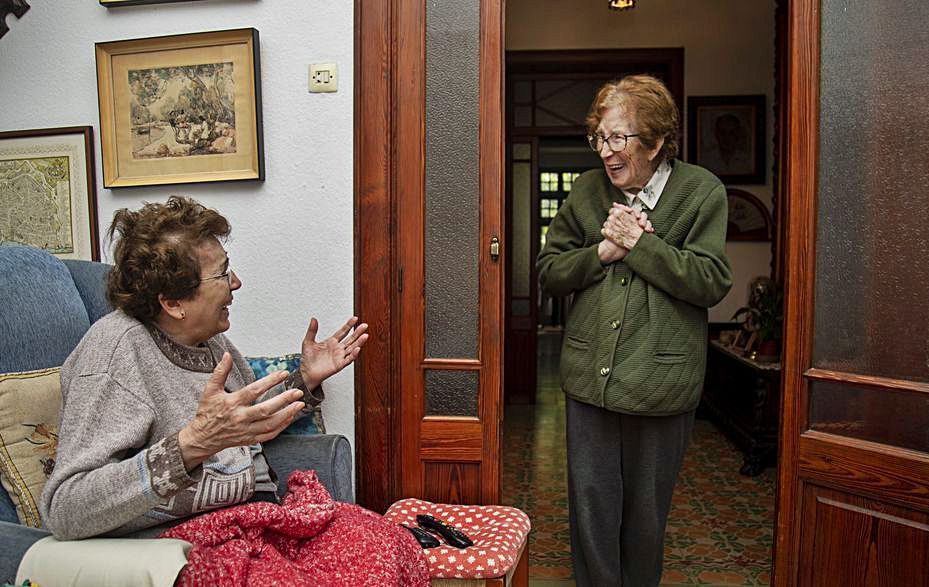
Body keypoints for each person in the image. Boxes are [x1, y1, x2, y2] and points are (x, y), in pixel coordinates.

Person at [39, 196, 369, 540]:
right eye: (223, 273)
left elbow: (242, 419)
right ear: (173, 303)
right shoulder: (114, 356)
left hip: (249, 521)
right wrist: (193, 444)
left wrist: (305, 378)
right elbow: (66, 509)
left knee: (384, 540)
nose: (236, 283)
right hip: (186, 545)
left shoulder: (208, 340)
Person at [536, 75, 732, 586]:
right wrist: (600, 252)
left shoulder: (701, 191)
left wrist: (641, 246)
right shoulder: (586, 191)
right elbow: (549, 272)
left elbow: (711, 280)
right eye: (599, 137)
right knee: (591, 512)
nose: (606, 151)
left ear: (658, 140)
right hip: (589, 381)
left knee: (645, 519)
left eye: (618, 138)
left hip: (660, 383)